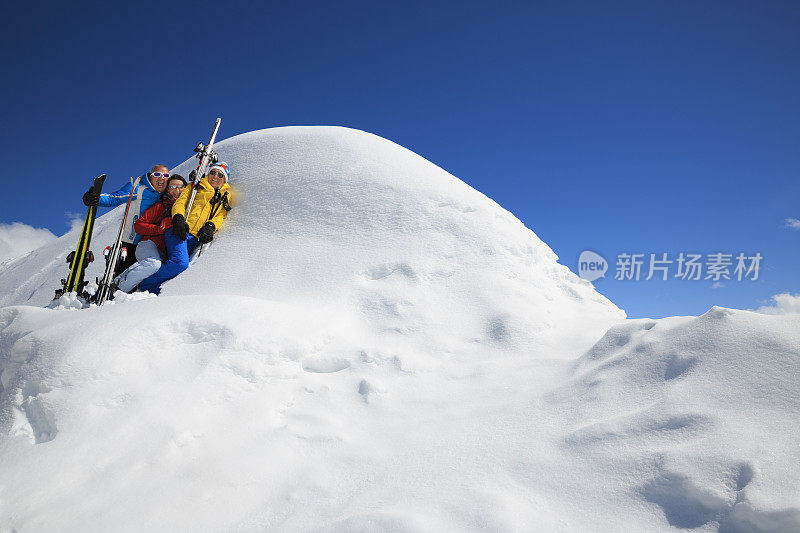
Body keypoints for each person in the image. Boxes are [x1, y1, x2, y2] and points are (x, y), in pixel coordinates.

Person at [139, 162, 233, 294]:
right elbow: (180, 202)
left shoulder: (224, 196)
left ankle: (154, 290)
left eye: (220, 175)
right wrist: (178, 218)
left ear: (225, 180)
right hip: (178, 230)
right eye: (213, 172)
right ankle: (143, 284)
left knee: (179, 268)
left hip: (194, 238)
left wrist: (211, 226)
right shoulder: (196, 185)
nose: (215, 176)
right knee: (180, 263)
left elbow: (221, 215)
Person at [82, 164, 170, 275]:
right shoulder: (137, 187)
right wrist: (95, 198)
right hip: (131, 242)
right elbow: (115, 198)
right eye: (157, 174)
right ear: (150, 175)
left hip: (153, 244)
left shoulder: (167, 193)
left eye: (165, 175)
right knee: (119, 277)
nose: (161, 178)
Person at [113, 174, 187, 293]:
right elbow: (138, 226)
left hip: (162, 252)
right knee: (153, 264)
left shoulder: (187, 206)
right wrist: (158, 229)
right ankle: (117, 286)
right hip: (148, 244)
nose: (176, 190)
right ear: (167, 189)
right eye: (172, 186)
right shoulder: (161, 206)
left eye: (180, 186)